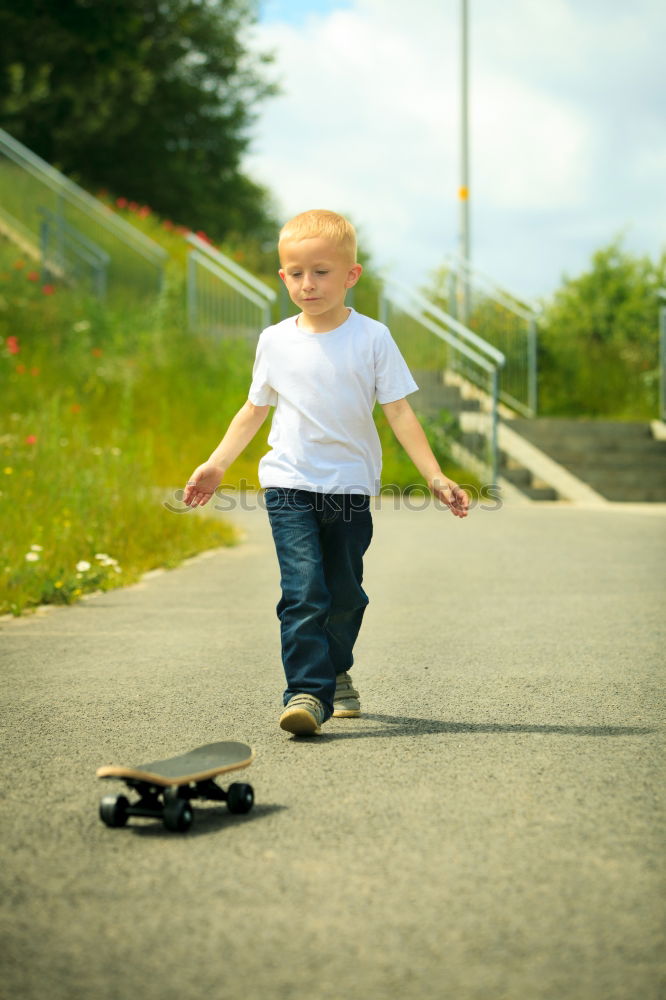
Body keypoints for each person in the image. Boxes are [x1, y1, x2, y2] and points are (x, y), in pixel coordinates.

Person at [183, 209, 469, 736]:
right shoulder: (274, 340)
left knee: (345, 595)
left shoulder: (372, 337)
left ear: (350, 275)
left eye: (321, 272)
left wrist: (434, 475)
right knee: (304, 590)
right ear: (282, 276)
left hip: (348, 489)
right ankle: (306, 694)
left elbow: (400, 411)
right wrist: (217, 464)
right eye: (296, 273)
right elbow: (253, 411)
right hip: (288, 484)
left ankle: (336, 671)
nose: (307, 284)